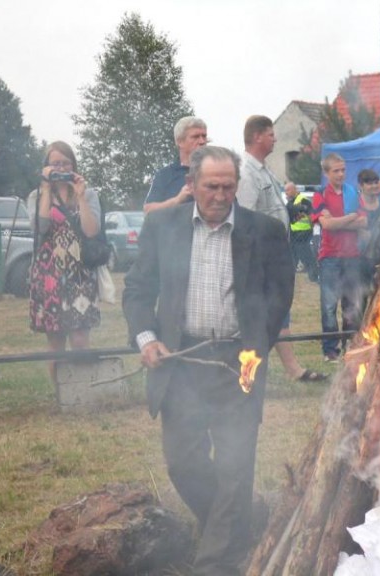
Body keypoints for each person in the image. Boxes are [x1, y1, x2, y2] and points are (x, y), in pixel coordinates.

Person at [123, 146, 294, 576]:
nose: (220, 195)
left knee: (237, 461)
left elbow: (280, 297)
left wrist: (257, 346)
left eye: (228, 186)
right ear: (192, 185)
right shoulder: (163, 225)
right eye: (211, 186)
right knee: (183, 462)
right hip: (180, 362)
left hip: (242, 362)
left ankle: (215, 563)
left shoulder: (266, 231)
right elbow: (139, 289)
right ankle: (233, 524)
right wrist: (146, 339)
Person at [237, 115, 326, 382]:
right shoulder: (245, 172)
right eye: (271, 134)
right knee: (260, 316)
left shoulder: (264, 170)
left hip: (276, 256)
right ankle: (248, 372)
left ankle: (292, 370)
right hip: (259, 257)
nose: (275, 138)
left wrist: (291, 211)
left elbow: (271, 209)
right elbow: (246, 217)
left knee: (278, 312)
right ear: (257, 137)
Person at [28, 142, 101, 380]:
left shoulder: (88, 194)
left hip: (80, 274)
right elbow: (41, 229)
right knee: (56, 341)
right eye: (55, 163)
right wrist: (47, 189)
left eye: (65, 163)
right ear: (46, 167)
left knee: (80, 339)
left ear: (73, 165)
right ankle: (61, 393)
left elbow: (91, 231)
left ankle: (83, 388)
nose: (60, 168)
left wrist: (80, 197)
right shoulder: (36, 196)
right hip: (49, 274)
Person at [312, 153, 367, 363]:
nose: (341, 174)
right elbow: (326, 225)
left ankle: (350, 347)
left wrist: (339, 221)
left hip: (352, 256)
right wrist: (350, 218)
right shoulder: (320, 195)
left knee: (351, 304)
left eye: (343, 170)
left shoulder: (353, 192)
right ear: (327, 173)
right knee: (329, 305)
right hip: (330, 257)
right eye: (336, 170)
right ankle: (330, 351)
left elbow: (363, 223)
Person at [144, 116, 208, 214]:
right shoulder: (165, 175)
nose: (202, 141)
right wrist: (178, 199)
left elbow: (233, 209)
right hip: (175, 229)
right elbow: (148, 211)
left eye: (204, 136)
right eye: (195, 137)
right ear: (180, 142)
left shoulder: (216, 172)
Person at [357, 169, 380, 297]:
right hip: (358, 260)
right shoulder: (354, 205)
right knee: (358, 300)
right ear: (361, 185)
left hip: (379, 259)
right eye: (369, 183)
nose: (373, 186)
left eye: (375, 182)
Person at [285, 182, 318, 282]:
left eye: (288, 190)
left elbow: (311, 213)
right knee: (293, 256)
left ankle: (314, 276)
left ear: (295, 189)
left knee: (306, 255)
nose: (286, 193)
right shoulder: (290, 203)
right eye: (285, 190)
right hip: (294, 233)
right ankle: (289, 276)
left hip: (304, 232)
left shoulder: (303, 200)